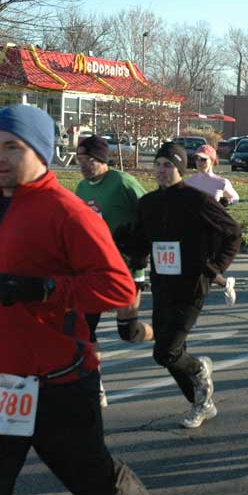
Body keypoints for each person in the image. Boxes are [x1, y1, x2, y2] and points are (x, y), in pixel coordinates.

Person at [0, 104, 171, 495]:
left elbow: (118, 286)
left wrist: (46, 289)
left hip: (58, 383)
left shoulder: (69, 212)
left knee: (95, 484)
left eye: (12, 147)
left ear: (41, 151)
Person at [116, 142, 242, 428]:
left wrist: (215, 268)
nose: (161, 170)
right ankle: (202, 401)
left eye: (168, 165)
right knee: (168, 350)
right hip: (162, 284)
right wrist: (119, 240)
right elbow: (140, 245)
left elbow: (232, 232)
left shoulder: (196, 200)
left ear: (180, 169)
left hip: (193, 284)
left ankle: (199, 371)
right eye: (158, 164)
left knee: (166, 352)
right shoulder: (148, 203)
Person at [74, 135, 152, 406]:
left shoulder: (122, 182)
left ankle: (163, 335)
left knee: (127, 332)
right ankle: (97, 387)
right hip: (94, 270)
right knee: (85, 329)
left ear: (103, 159)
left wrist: (139, 253)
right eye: (80, 160)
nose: (84, 166)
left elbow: (150, 213)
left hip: (127, 267)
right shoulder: (81, 188)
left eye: (90, 160)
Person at [184, 143, 239, 306]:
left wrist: (225, 202)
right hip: (193, 228)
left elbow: (235, 198)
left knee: (203, 264)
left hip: (214, 229)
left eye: (203, 159)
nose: (199, 162)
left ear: (212, 161)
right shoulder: (189, 182)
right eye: (197, 159)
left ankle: (221, 284)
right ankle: (223, 284)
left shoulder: (221, 182)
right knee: (196, 263)